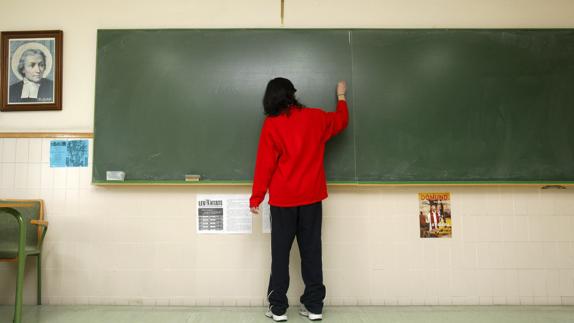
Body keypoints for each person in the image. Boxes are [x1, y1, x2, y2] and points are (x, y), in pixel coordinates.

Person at [250, 77, 348, 322]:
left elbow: (265, 164)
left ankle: (278, 309)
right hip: (312, 199)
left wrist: (257, 197)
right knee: (312, 252)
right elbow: (341, 121)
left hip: (283, 201)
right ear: (293, 94)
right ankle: (314, 307)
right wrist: (342, 97)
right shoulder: (316, 117)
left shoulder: (272, 124)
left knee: (280, 255)